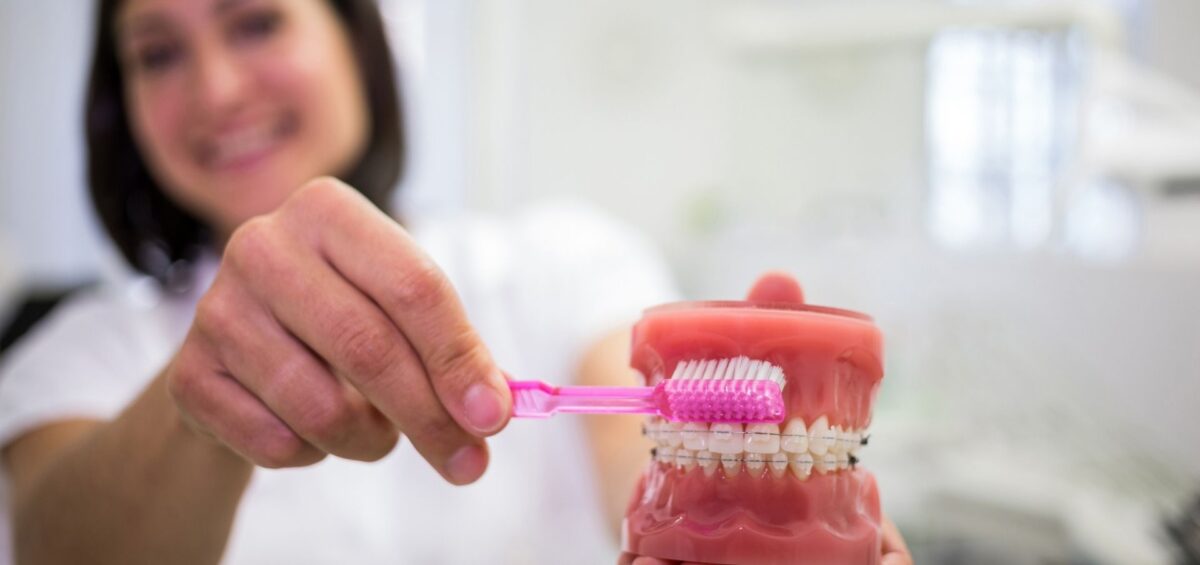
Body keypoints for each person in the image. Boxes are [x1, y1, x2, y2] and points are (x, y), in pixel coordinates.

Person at [0, 1, 912, 563]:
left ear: (355, 41)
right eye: (157, 52)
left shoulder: (560, 261)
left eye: (256, 20)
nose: (218, 89)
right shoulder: (69, 356)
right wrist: (198, 399)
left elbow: (643, 444)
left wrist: (746, 513)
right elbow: (54, 551)